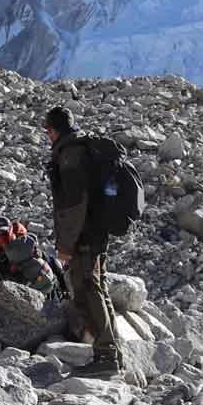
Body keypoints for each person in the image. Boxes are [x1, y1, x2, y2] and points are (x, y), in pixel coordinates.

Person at [45, 105, 122, 377]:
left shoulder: (70, 156)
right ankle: (113, 351)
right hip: (96, 233)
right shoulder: (83, 148)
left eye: (48, 132)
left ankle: (106, 355)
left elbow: (75, 205)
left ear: (53, 131)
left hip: (84, 237)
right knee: (97, 288)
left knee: (88, 291)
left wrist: (66, 245)